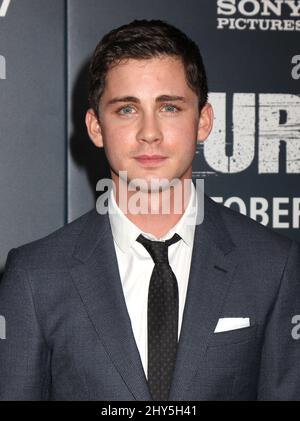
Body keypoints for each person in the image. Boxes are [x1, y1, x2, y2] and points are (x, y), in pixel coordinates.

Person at [0, 19, 300, 401]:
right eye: (126, 110)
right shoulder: (35, 276)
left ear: (204, 120)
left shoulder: (274, 266)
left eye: (170, 107)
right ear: (95, 127)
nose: (149, 132)